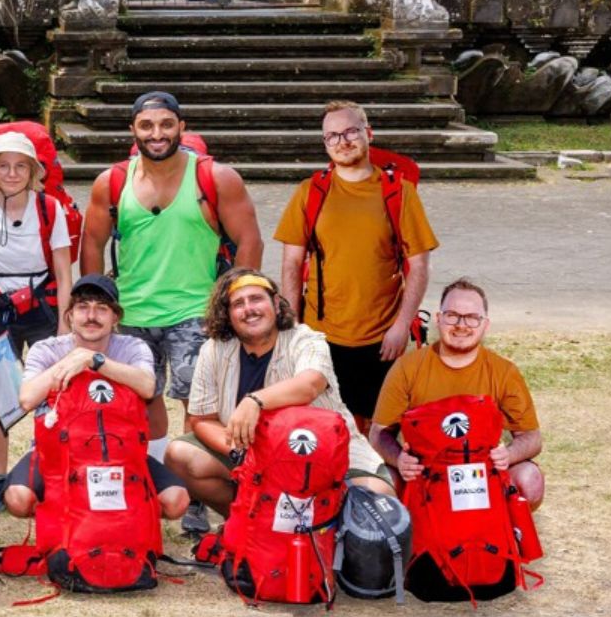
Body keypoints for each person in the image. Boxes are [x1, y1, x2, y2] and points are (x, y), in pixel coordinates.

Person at [82, 89, 261, 534]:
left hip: (194, 311)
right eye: (146, 126)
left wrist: (235, 301)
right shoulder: (113, 181)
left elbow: (250, 241)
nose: (156, 134)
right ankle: (153, 478)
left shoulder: (216, 178)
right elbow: (92, 241)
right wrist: (97, 302)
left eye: (166, 124)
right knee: (142, 400)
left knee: (196, 403)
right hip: (132, 311)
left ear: (182, 127)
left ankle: (194, 488)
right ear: (133, 131)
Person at [165, 269, 395, 519]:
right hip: (253, 454)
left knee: (379, 500)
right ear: (227, 314)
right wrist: (244, 455)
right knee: (180, 455)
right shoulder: (214, 349)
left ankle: (327, 541)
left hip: (321, 452)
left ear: (275, 303)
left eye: (256, 298)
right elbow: (202, 418)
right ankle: (248, 526)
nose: (249, 309)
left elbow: (309, 385)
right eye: (238, 304)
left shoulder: (305, 339)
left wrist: (255, 401)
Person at [274, 100, 438, 432]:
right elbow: (291, 263)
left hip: (383, 335)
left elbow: (419, 265)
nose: (343, 141)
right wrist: (292, 327)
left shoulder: (398, 192)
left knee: (383, 431)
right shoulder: (311, 192)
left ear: (368, 133)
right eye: (332, 136)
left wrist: (402, 325)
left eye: (350, 131)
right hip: (323, 333)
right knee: (329, 428)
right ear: (325, 144)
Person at [4, 275, 191, 522]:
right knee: (18, 499)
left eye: (101, 309)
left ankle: (126, 518)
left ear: (115, 317)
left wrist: (95, 361)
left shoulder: (132, 347)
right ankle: (67, 518)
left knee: (176, 501)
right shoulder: (47, 349)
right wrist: (72, 359)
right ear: (70, 315)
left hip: (120, 453)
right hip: (59, 453)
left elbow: (148, 386)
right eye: (83, 307)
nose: (91, 316)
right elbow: (27, 399)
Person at [0, 130, 73, 515]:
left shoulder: (50, 208)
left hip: (42, 306)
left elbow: (63, 266)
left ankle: (48, 472)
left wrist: (65, 324)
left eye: (20, 166)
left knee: (52, 396)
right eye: (4, 166)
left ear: (33, 171)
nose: (12, 174)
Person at [368, 279, 544, 510]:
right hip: (425, 473)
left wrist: (508, 455)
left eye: (472, 317)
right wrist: (400, 459)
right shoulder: (406, 368)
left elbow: (532, 437)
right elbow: (379, 433)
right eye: (452, 315)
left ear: (485, 324)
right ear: (439, 319)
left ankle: (511, 537)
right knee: (379, 484)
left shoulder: (504, 372)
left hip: (483, 473)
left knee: (530, 479)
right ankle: (404, 539)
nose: (462, 325)